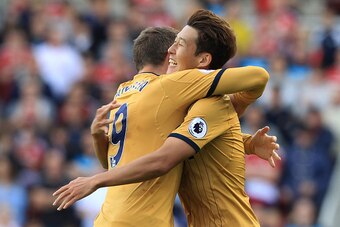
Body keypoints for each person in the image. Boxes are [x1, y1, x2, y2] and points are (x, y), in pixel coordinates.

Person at [53, 10, 272, 226]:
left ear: (203, 60)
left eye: (181, 44)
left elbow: (162, 158)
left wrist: (242, 133)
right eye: (174, 43)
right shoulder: (174, 100)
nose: (172, 51)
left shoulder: (127, 92)